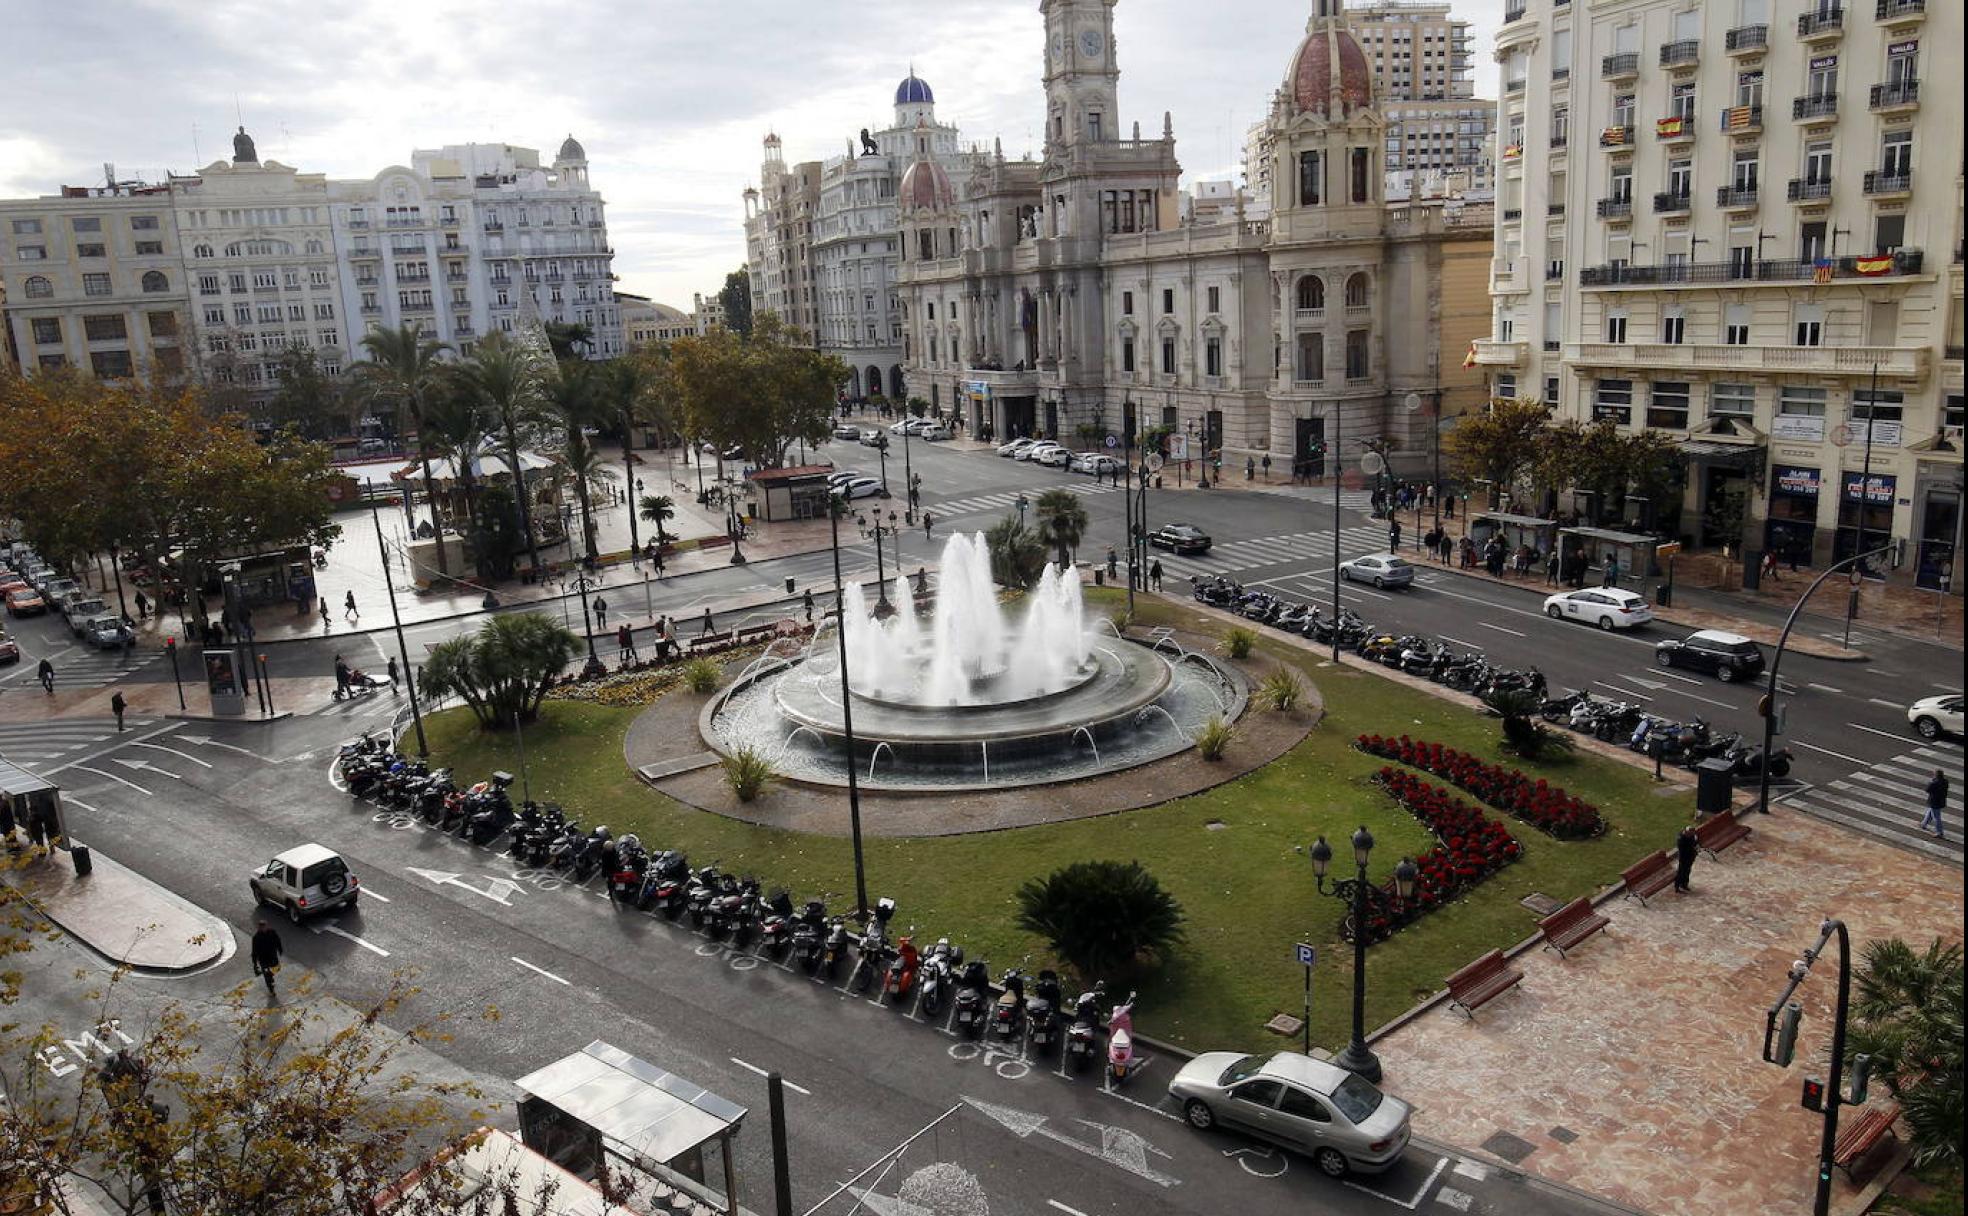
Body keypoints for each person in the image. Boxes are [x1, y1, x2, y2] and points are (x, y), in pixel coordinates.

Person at [250, 920, 284, 996]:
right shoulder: (256, 938)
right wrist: (255, 964)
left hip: (272, 957)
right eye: (261, 927)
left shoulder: (272, 932)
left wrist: (280, 949)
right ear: (259, 928)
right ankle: (271, 990)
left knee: (277, 968)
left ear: (267, 926)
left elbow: (277, 940)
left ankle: (270, 975)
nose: (263, 928)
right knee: (266, 975)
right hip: (263, 960)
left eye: (264, 927)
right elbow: (254, 951)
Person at [1924, 769, 1950, 839]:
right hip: (1941, 801)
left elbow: (1927, 790)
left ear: (1936, 775)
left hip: (1934, 801)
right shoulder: (1945, 781)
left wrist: (1931, 781)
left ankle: (1940, 832)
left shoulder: (1934, 783)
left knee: (1936, 817)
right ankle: (1924, 824)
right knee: (1930, 812)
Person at [1674, 825, 1699, 892]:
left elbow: (1695, 843)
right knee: (1681, 871)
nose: (1690, 834)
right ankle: (1677, 886)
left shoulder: (1693, 836)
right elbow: (1683, 849)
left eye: (1691, 833)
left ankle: (1684, 884)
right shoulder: (1681, 838)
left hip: (1690, 856)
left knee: (1687, 871)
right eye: (1689, 833)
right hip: (1683, 857)